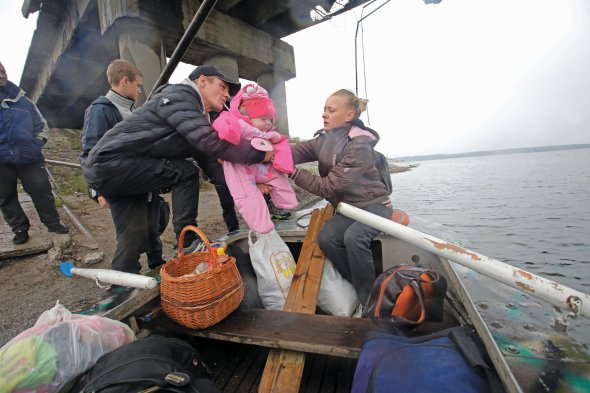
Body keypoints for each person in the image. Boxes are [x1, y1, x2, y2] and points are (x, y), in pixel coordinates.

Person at [82, 64, 271, 273]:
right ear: (202, 81)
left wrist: (250, 185)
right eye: (223, 87)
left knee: (133, 239)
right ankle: (188, 240)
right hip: (112, 163)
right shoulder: (181, 96)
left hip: (125, 168)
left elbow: (210, 162)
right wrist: (259, 153)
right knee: (187, 171)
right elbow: (209, 142)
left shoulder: (197, 116)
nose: (227, 95)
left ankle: (122, 289)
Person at [290, 89, 393, 308]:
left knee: (354, 238)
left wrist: (294, 173)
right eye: (324, 109)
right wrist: (261, 151)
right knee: (327, 238)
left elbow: (329, 188)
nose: (324, 114)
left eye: (331, 110)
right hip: (349, 208)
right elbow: (294, 152)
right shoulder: (324, 140)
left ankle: (372, 302)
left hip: (375, 205)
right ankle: (359, 284)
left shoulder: (359, 145)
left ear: (348, 115)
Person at [80, 59, 167, 270]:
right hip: (124, 187)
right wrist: (97, 191)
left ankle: (158, 267)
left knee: (152, 231)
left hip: (146, 185)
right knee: (130, 240)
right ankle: (123, 286)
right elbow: (90, 154)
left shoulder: (133, 111)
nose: (139, 91)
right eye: (137, 85)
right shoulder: (100, 110)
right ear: (124, 80)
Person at [212, 83, 297, 234]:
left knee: (276, 178)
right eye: (264, 119)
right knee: (243, 197)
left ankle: (284, 202)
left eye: (271, 120)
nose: (269, 123)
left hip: (261, 169)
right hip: (237, 171)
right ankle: (238, 229)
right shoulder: (234, 122)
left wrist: (283, 163)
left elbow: (281, 144)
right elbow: (224, 136)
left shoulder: (267, 132)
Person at [0, 61, 69, 245]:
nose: (2, 75)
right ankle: (20, 229)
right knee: (5, 196)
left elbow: (41, 124)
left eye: (3, 71)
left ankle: (53, 223)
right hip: (1, 162)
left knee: (41, 191)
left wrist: (35, 144)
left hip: (29, 157)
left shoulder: (21, 99)